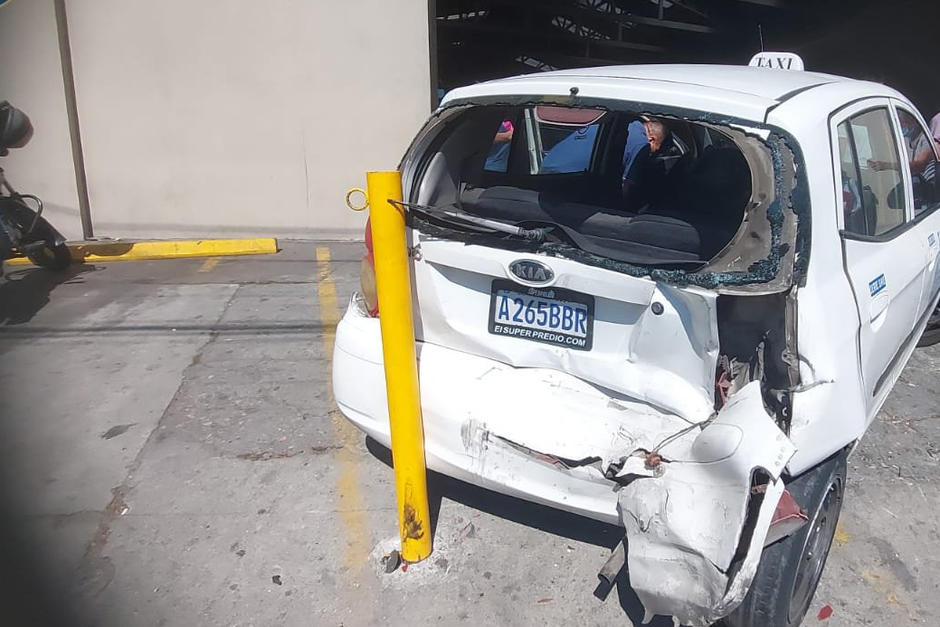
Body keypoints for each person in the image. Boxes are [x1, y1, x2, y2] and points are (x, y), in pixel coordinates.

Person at [621, 119, 670, 211]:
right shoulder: (643, 146)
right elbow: (628, 184)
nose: (652, 153)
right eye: (656, 148)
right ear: (652, 139)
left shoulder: (633, 125)